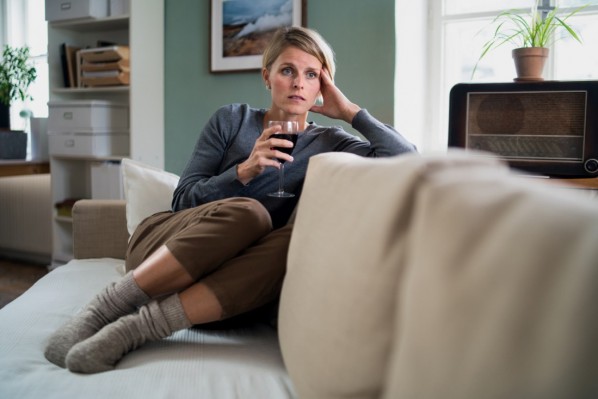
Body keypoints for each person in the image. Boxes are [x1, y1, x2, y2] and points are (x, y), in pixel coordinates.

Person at [44, 26, 417, 374]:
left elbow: (407, 160)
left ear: (324, 84)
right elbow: (183, 200)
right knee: (252, 214)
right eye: (288, 70)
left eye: (311, 74)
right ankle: (105, 307)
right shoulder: (232, 120)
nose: (299, 83)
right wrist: (242, 172)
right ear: (267, 76)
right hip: (164, 247)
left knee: (296, 239)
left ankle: (141, 327)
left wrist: (350, 113)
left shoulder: (332, 142)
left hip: (235, 281)